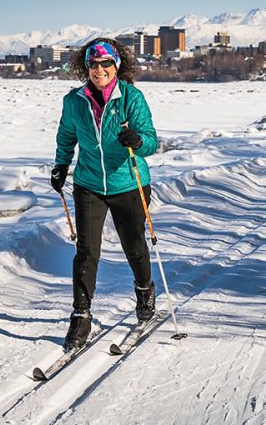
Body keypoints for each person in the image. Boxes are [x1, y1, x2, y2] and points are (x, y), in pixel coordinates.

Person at [50, 38, 158, 351]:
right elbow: (66, 137)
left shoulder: (131, 98)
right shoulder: (74, 101)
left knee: (134, 244)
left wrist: (137, 140)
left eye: (106, 63)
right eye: (93, 64)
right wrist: (61, 165)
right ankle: (81, 315)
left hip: (128, 181)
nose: (99, 70)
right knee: (86, 251)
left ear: (117, 65)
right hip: (89, 184)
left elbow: (151, 141)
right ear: (86, 67)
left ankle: (144, 289)